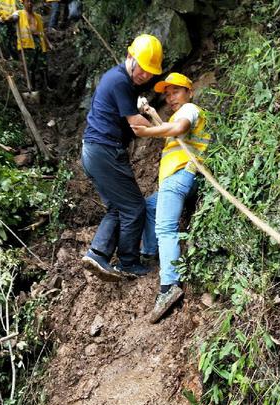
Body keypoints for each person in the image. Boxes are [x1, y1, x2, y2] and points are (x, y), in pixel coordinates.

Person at [81, 34, 163, 281]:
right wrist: (167, 130)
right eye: (143, 69)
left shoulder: (121, 82)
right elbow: (137, 125)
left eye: (150, 73)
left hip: (94, 152)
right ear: (130, 57)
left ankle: (97, 254)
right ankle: (128, 261)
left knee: (118, 207)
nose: (145, 76)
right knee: (135, 207)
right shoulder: (119, 81)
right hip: (104, 151)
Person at [131, 73, 212, 323]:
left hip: (179, 177)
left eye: (175, 91)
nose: (170, 97)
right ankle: (150, 252)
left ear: (189, 91)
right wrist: (149, 113)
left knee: (166, 228)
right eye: (167, 93)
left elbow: (179, 128)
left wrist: (146, 131)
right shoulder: (178, 113)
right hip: (182, 179)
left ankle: (169, 287)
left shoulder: (190, 109)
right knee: (148, 206)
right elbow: (170, 127)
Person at [15, 0, 53, 90]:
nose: (30, 3)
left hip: (39, 43)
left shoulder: (38, 17)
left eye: (31, 1)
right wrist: (13, 17)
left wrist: (48, 43)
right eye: (27, 1)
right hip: (27, 44)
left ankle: (47, 86)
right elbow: (11, 17)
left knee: (43, 66)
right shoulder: (19, 14)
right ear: (23, 3)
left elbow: (42, 32)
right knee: (30, 68)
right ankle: (32, 88)